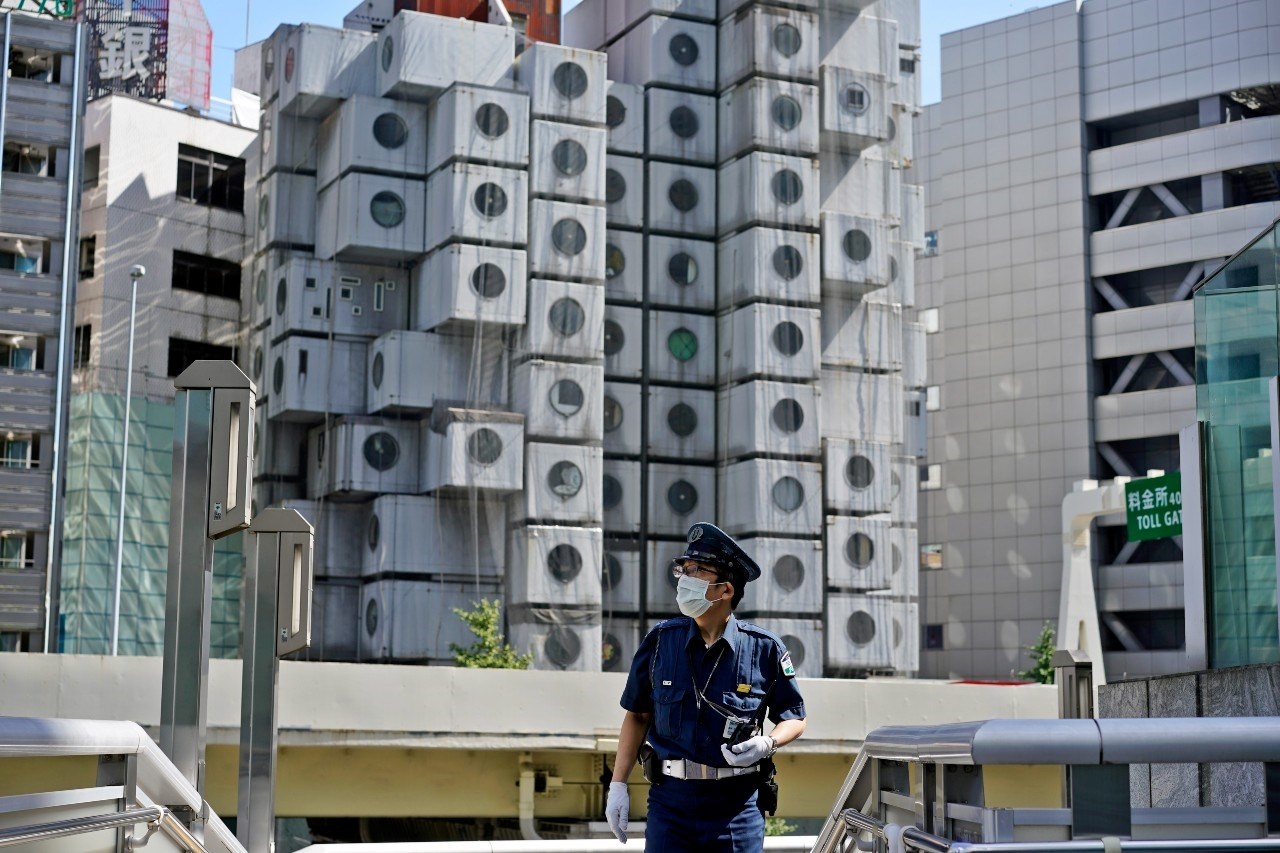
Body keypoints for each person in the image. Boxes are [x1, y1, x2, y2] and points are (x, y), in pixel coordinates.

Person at [605, 522, 807, 851]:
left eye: (695, 571)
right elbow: (638, 715)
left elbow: (795, 717)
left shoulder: (764, 648)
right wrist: (617, 785)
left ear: (725, 590)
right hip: (670, 802)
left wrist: (768, 743)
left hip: (735, 807)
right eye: (682, 570)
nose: (683, 579)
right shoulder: (660, 641)